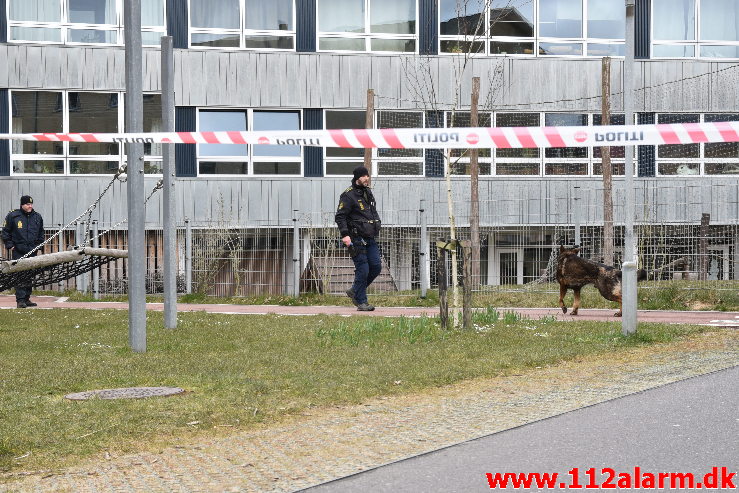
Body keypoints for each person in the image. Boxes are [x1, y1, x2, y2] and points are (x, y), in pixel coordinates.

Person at [335, 166, 382, 311]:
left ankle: (355, 290)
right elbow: (340, 216)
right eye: (363, 176)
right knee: (363, 269)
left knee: (376, 267)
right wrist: (345, 235)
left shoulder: (367, 192)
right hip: (355, 238)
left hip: (369, 237)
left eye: (367, 175)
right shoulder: (348, 195)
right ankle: (361, 302)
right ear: (357, 178)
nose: (366, 178)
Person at [2, 195, 44, 308]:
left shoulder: (37, 217)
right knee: (20, 275)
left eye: (31, 204)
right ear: (22, 205)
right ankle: (20, 300)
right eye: (27, 204)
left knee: (29, 275)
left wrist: (38, 246)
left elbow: (41, 233)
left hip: (32, 250)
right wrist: (10, 246)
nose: (30, 206)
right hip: (19, 251)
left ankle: (27, 298)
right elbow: (5, 232)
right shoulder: (13, 216)